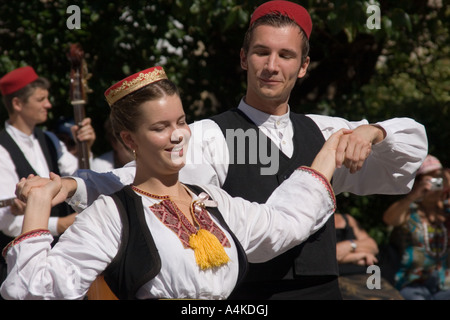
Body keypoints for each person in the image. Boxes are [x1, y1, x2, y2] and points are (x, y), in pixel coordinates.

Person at [61, 1, 427, 300]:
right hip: (247, 297)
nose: (271, 66)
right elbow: (141, 181)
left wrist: (373, 131)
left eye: (285, 55)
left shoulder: (325, 130)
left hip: (323, 292)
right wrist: (75, 188)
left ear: (302, 67)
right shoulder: (209, 134)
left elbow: (408, 146)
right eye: (261, 52)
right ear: (243, 57)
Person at [0, 66, 349, 300]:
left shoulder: (212, 202)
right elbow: (32, 290)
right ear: (129, 139)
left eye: (181, 122)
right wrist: (39, 203)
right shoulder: (112, 214)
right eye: (159, 128)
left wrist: (331, 148)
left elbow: (286, 222)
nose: (178, 136)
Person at [0, 66, 96, 283]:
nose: (48, 104)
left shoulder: (50, 139)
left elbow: (83, 178)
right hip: (20, 266)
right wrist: (60, 224)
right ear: (17, 104)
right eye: (41, 99)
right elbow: (7, 223)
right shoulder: (2, 150)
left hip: (61, 256)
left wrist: (86, 148)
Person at [383, 155, 450, 300]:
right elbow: (389, 219)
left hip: (445, 284)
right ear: (417, 182)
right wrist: (413, 195)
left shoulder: (446, 210)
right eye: (429, 179)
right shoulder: (408, 210)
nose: (435, 184)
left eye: (438, 179)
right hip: (411, 284)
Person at [335, 212, 404, 300]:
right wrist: (360, 255)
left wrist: (350, 245)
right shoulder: (317, 223)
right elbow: (329, 256)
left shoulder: (347, 219)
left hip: (367, 276)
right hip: (341, 278)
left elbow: (373, 246)